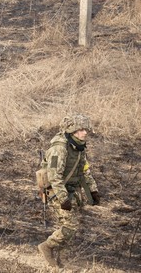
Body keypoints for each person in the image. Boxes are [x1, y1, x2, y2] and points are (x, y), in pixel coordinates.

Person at [37, 114, 100, 268]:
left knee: (70, 227)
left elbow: (85, 171)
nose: (85, 132)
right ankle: (47, 247)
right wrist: (63, 198)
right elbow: (53, 176)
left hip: (71, 191)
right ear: (71, 130)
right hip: (56, 192)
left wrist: (93, 190)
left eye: (85, 129)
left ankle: (60, 260)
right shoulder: (59, 148)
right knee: (70, 226)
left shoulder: (79, 147)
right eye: (80, 129)